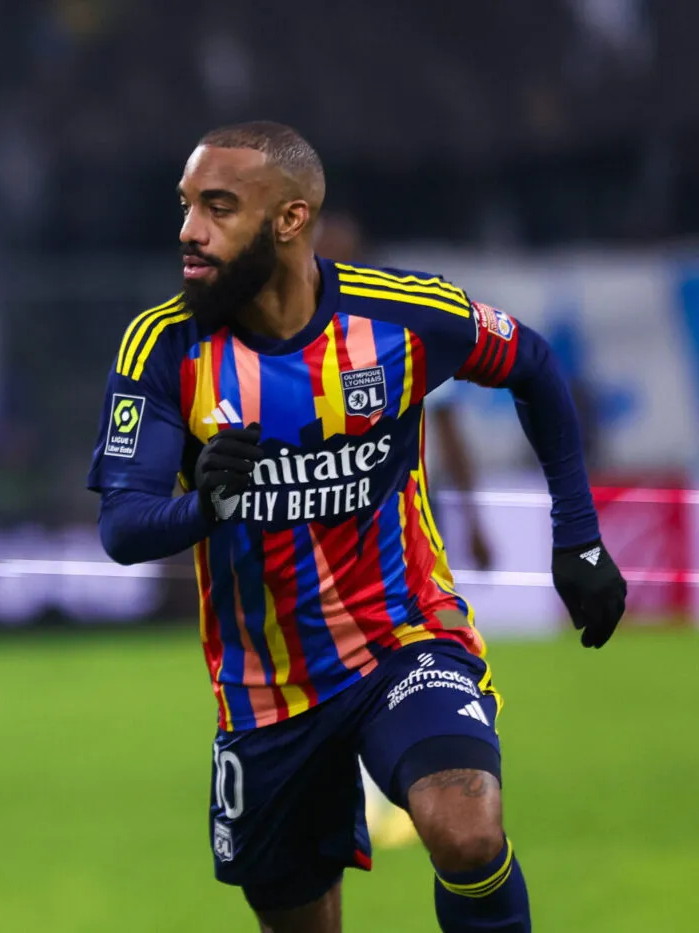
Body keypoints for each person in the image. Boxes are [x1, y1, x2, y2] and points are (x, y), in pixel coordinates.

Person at [87, 122, 627, 933]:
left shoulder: (404, 318)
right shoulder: (165, 348)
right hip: (265, 686)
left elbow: (535, 365)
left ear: (290, 220)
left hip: (403, 633)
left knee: (465, 827)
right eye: (187, 205)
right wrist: (204, 506)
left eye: (218, 207)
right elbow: (123, 527)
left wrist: (578, 536)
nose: (188, 231)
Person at [316, 212, 495, 851]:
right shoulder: (289, 343)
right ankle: (366, 790)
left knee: (398, 652)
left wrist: (473, 519)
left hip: (401, 528)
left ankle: (410, 775)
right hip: (318, 545)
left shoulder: (399, 334)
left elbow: (449, 435)